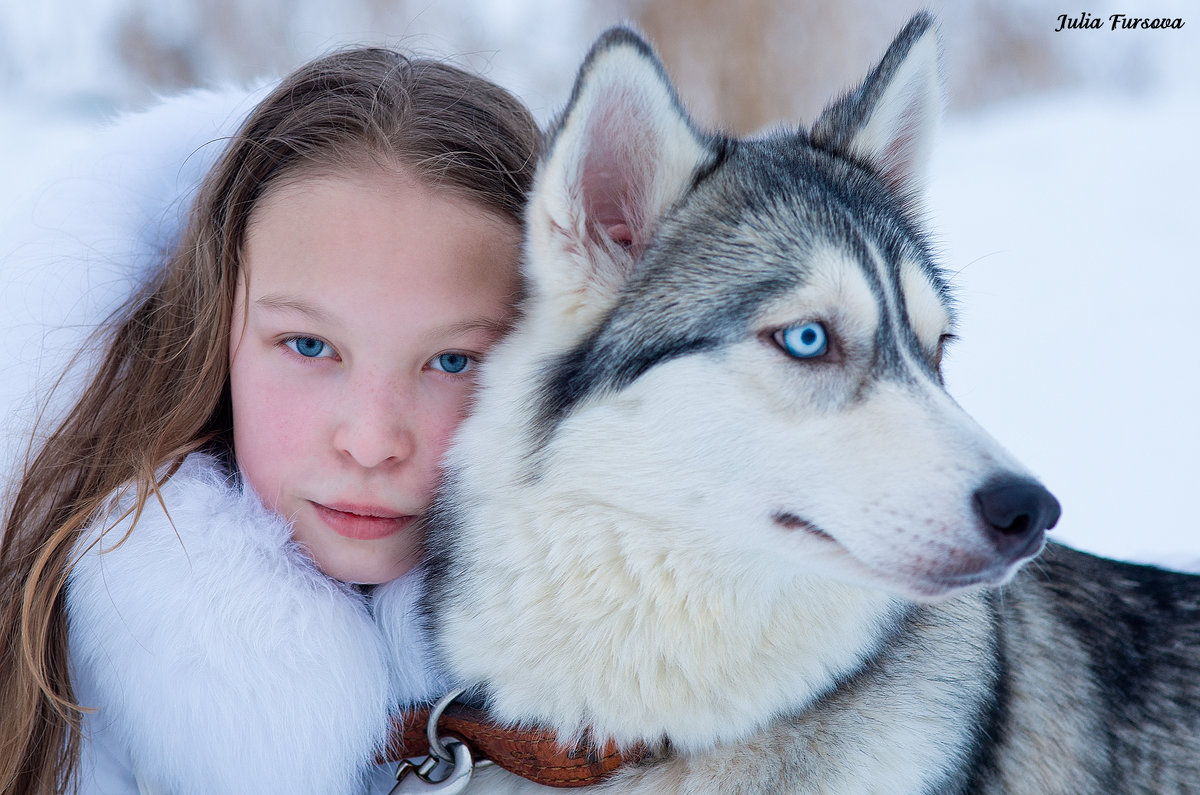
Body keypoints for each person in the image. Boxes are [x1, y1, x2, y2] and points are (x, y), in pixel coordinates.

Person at [0, 46, 538, 795]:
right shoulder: (53, 678)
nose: (372, 440)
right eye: (311, 345)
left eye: (452, 362)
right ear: (216, 335)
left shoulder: (668, 709)